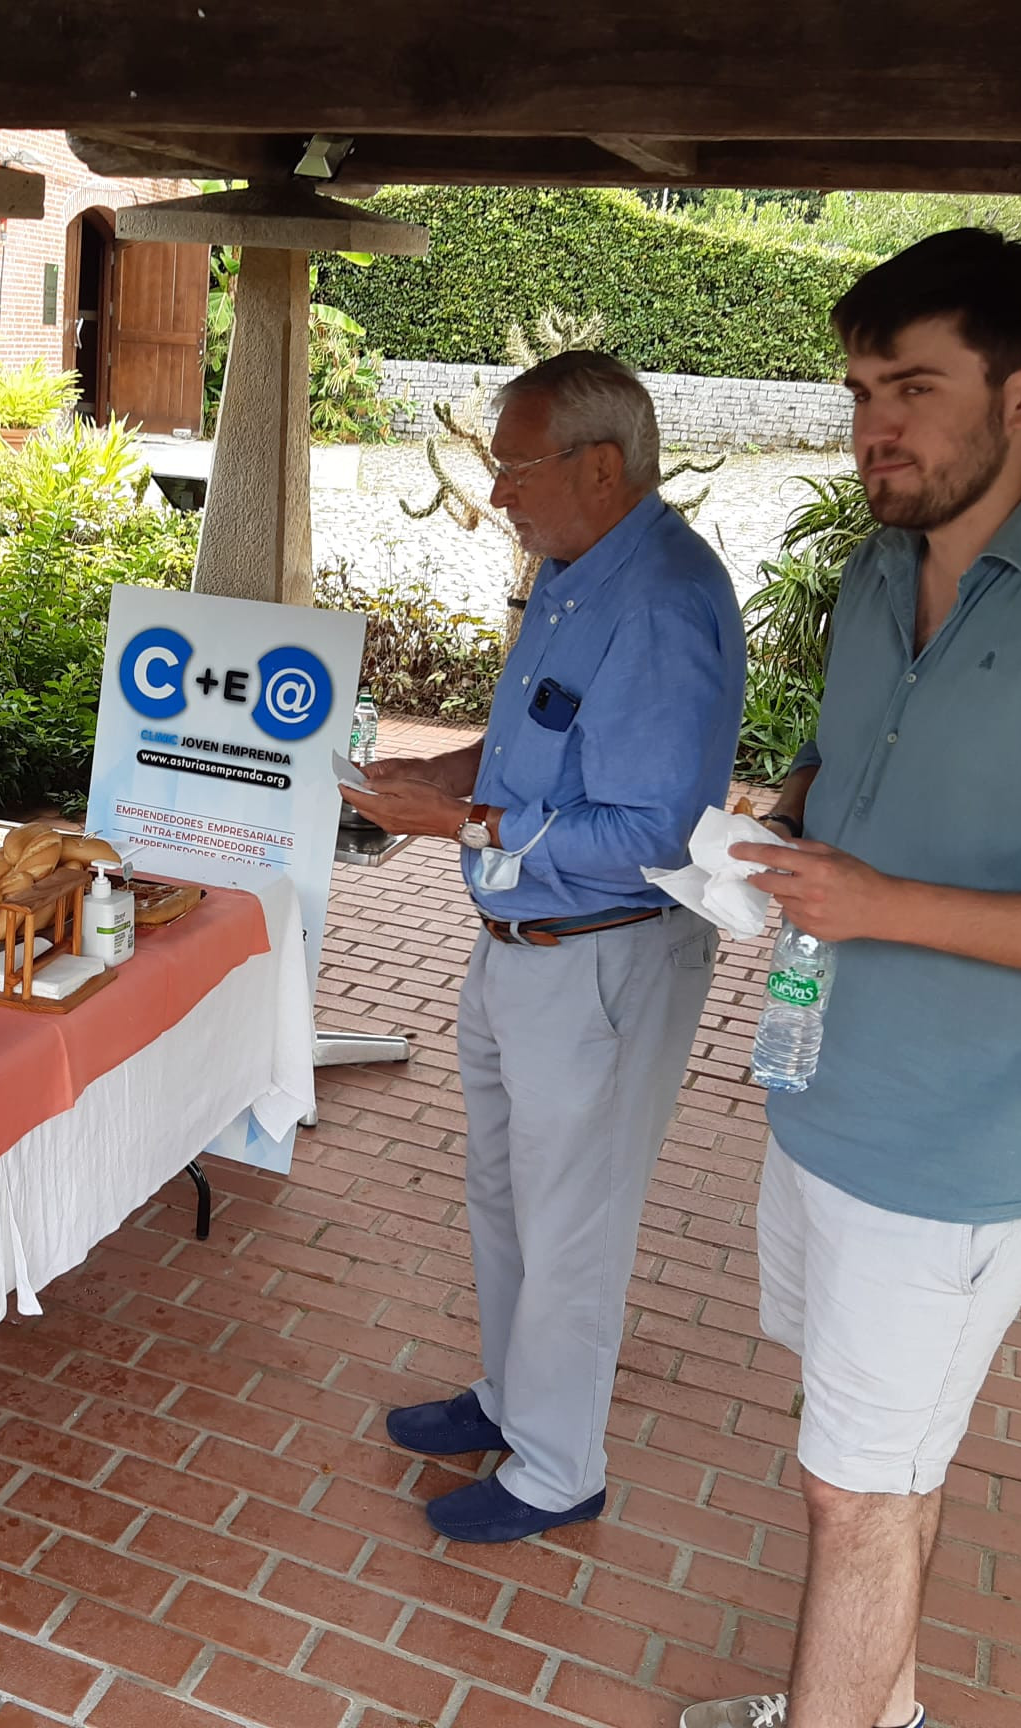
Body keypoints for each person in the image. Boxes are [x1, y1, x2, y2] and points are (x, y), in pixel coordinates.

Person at [686, 229, 1021, 1728]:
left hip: (961, 1152)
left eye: (913, 386)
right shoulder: (869, 574)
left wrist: (877, 898)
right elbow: (859, 756)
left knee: (852, 1493)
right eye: (857, 390)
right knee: (882, 1469)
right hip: (819, 1092)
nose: (874, 428)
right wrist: (787, 807)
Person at [340, 351, 746, 1544]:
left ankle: (560, 1467)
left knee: (575, 1221)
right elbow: (532, 746)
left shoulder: (666, 600)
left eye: (515, 467)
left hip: (605, 957)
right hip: (522, 942)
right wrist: (438, 777)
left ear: (601, 464)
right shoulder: (573, 573)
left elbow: (649, 832)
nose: (500, 492)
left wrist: (458, 819)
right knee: (509, 1195)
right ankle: (512, 1398)